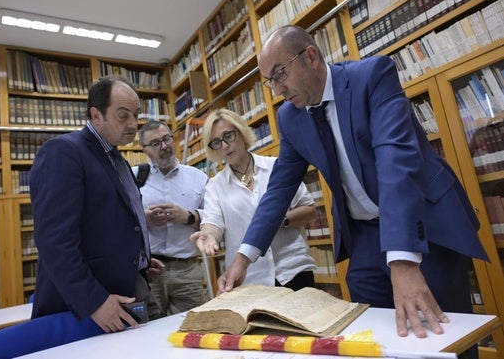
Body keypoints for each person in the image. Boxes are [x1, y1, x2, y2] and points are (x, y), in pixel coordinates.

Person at [219, 25, 488, 344]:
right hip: (363, 239)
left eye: (279, 74)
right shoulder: (291, 117)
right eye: (269, 81)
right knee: (377, 337)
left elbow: (396, 162)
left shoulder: (372, 76)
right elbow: (278, 190)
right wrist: (242, 259)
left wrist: (403, 259)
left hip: (418, 223)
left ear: (310, 56)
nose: (277, 89)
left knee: (443, 333)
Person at [30, 75, 162, 337]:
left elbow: (110, 221)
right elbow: (53, 241)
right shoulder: (64, 152)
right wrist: (95, 301)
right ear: (96, 114)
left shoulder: (117, 159)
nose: (134, 124)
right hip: (90, 307)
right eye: (123, 115)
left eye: (136, 115)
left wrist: (139, 260)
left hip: (130, 290)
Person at [191, 108, 318, 290]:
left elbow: (310, 210)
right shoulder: (215, 185)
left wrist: (276, 221)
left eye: (228, 136)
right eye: (216, 142)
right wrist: (209, 236)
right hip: (250, 278)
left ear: (242, 133)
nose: (225, 146)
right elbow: (213, 222)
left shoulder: (276, 166)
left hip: (293, 268)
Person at [133, 120, 208, 316]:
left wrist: (188, 217)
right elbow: (118, 220)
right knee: (149, 333)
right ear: (145, 149)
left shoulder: (198, 177)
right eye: (156, 143)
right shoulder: (133, 178)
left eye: (167, 139)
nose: (164, 146)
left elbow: (215, 218)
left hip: (188, 271)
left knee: (191, 329)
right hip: (150, 271)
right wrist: (144, 220)